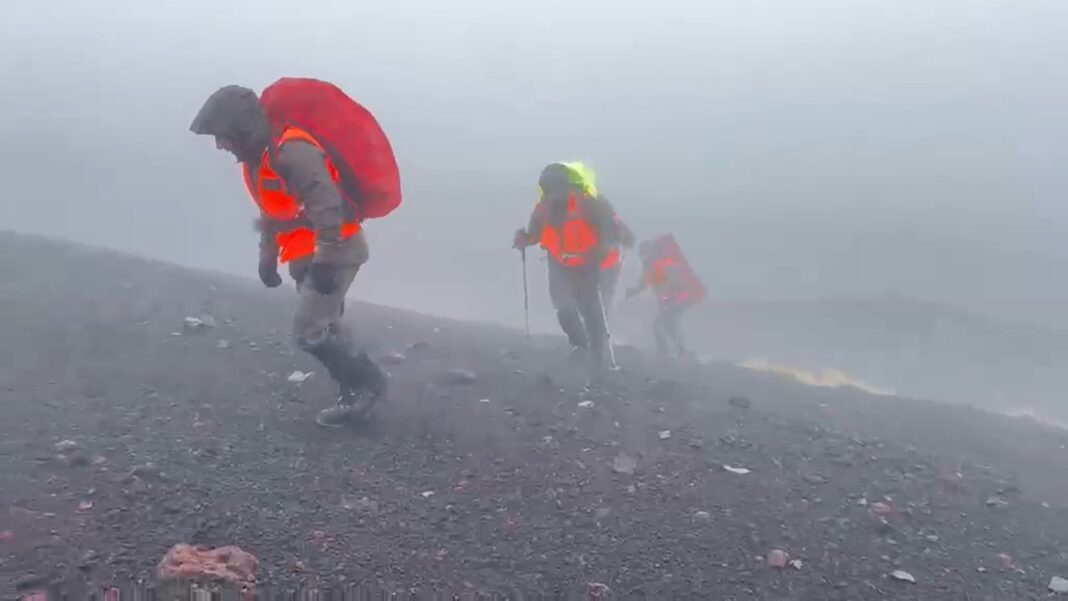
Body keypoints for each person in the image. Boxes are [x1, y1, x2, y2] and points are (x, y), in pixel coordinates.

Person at [189, 80, 398, 428]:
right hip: (304, 253)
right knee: (328, 324)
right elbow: (274, 214)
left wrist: (327, 261)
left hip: (337, 249)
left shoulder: (292, 150)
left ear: (242, 128)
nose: (219, 145)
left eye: (222, 135)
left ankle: (371, 384)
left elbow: (327, 204)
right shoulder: (257, 163)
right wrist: (267, 256)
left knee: (308, 331)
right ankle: (354, 393)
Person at [513, 162, 631, 376]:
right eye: (547, 191)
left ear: (566, 186)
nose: (551, 195)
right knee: (562, 305)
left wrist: (596, 258)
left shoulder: (591, 204)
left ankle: (597, 354)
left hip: (593, 262)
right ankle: (579, 345)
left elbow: (609, 235)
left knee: (590, 307)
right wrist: (524, 239)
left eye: (555, 189)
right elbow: (535, 234)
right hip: (561, 260)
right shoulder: (543, 208)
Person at [625, 236, 705, 358]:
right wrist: (632, 292)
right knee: (668, 326)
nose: (642, 257)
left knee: (660, 326)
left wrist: (675, 295)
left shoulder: (662, 264)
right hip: (670, 301)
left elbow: (679, 282)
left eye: (644, 254)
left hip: (675, 300)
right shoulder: (650, 267)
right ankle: (677, 352)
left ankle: (667, 353)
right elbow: (643, 285)